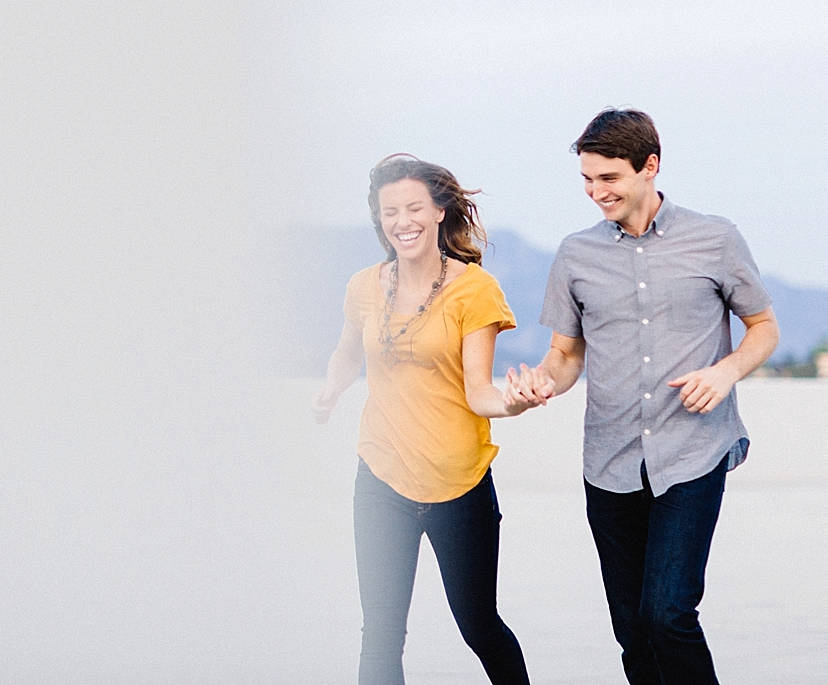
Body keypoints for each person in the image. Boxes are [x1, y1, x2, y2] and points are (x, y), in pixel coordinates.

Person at [522, 109, 780, 685]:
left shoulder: (715, 238)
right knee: (632, 630)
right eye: (587, 180)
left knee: (667, 612)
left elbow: (764, 328)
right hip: (608, 459)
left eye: (608, 178)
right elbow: (564, 357)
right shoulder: (575, 254)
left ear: (650, 166)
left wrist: (724, 372)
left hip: (693, 452)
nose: (596, 192)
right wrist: (541, 383)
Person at [312, 154, 545, 685]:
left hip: (458, 485)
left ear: (440, 211)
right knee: (381, 634)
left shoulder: (473, 290)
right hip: (381, 477)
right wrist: (330, 389)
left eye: (414, 207)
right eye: (390, 211)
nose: (402, 221)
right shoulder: (364, 287)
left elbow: (480, 393)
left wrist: (517, 402)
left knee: (480, 627)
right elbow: (349, 354)